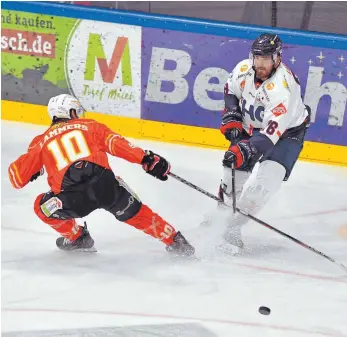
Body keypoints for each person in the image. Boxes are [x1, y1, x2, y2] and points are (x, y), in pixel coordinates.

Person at [8, 94, 195, 256]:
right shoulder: (90, 125)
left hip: (72, 199)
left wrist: (35, 167)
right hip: (105, 185)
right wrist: (145, 159)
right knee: (137, 213)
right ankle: (175, 241)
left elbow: (16, 178)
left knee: (41, 207)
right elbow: (117, 144)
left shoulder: (40, 142)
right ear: (71, 113)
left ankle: (77, 238)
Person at [219, 33, 310, 250]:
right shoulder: (243, 69)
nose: (260, 64)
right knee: (231, 174)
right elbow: (230, 90)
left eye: (265, 59)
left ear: (277, 58)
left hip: (286, 135)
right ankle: (219, 219)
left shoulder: (282, 89)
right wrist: (232, 114)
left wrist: (245, 148)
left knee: (264, 186)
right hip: (252, 128)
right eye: (257, 58)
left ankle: (232, 227)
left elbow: (270, 135)